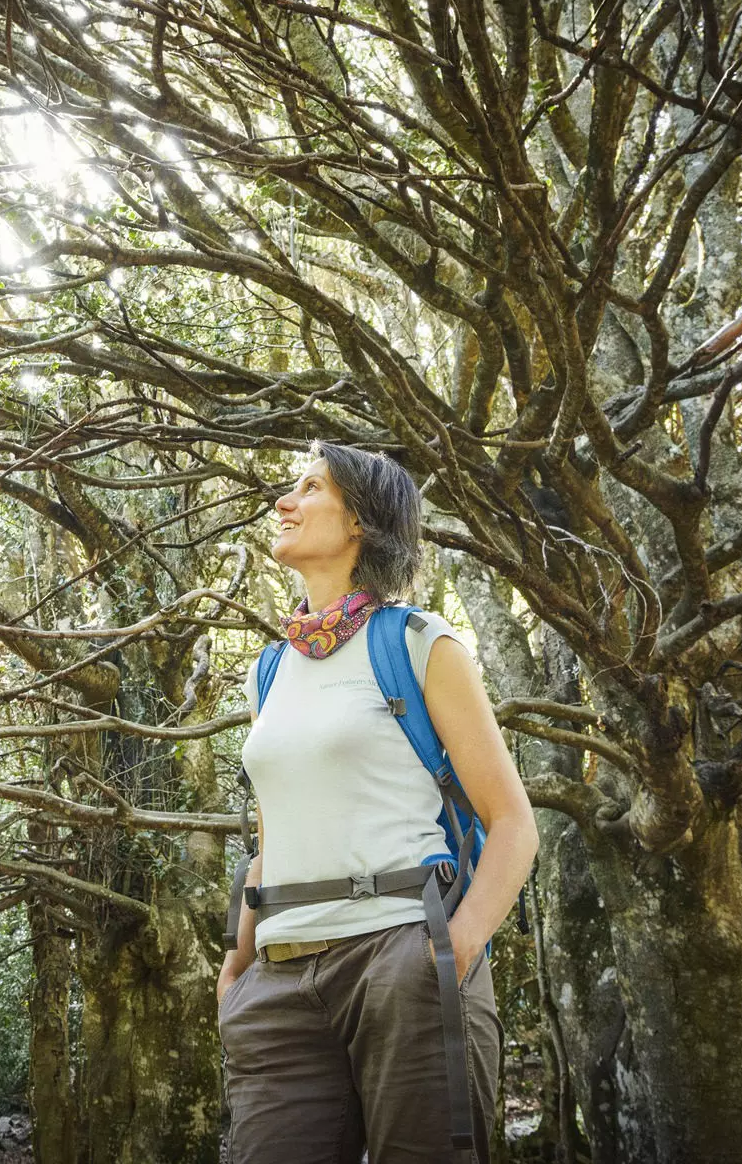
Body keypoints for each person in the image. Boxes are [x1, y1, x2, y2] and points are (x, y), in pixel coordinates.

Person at [217, 443, 539, 1164]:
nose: (283, 502)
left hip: (402, 952)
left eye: (308, 488)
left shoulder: (419, 642)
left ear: (361, 518)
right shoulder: (268, 674)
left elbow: (514, 823)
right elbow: (274, 840)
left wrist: (451, 954)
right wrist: (236, 967)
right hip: (279, 976)